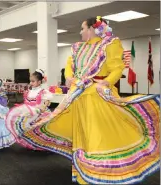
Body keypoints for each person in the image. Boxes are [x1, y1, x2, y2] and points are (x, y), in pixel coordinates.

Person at [17, 16, 160, 184]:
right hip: (77, 95)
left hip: (97, 95)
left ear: (92, 29)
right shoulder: (78, 48)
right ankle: (83, 171)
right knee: (82, 133)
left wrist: (106, 82)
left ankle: (101, 172)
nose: (80, 32)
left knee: (97, 134)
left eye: (83, 28)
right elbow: (69, 66)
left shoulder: (109, 45)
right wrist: (69, 77)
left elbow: (117, 68)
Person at [5, 69, 53, 150]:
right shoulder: (28, 91)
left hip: (38, 112)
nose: (31, 83)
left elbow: (45, 104)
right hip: (28, 111)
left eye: (33, 81)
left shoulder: (44, 92)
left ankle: (39, 144)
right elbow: (26, 103)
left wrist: (40, 109)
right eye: (30, 81)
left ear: (39, 82)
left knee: (38, 130)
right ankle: (31, 143)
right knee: (21, 124)